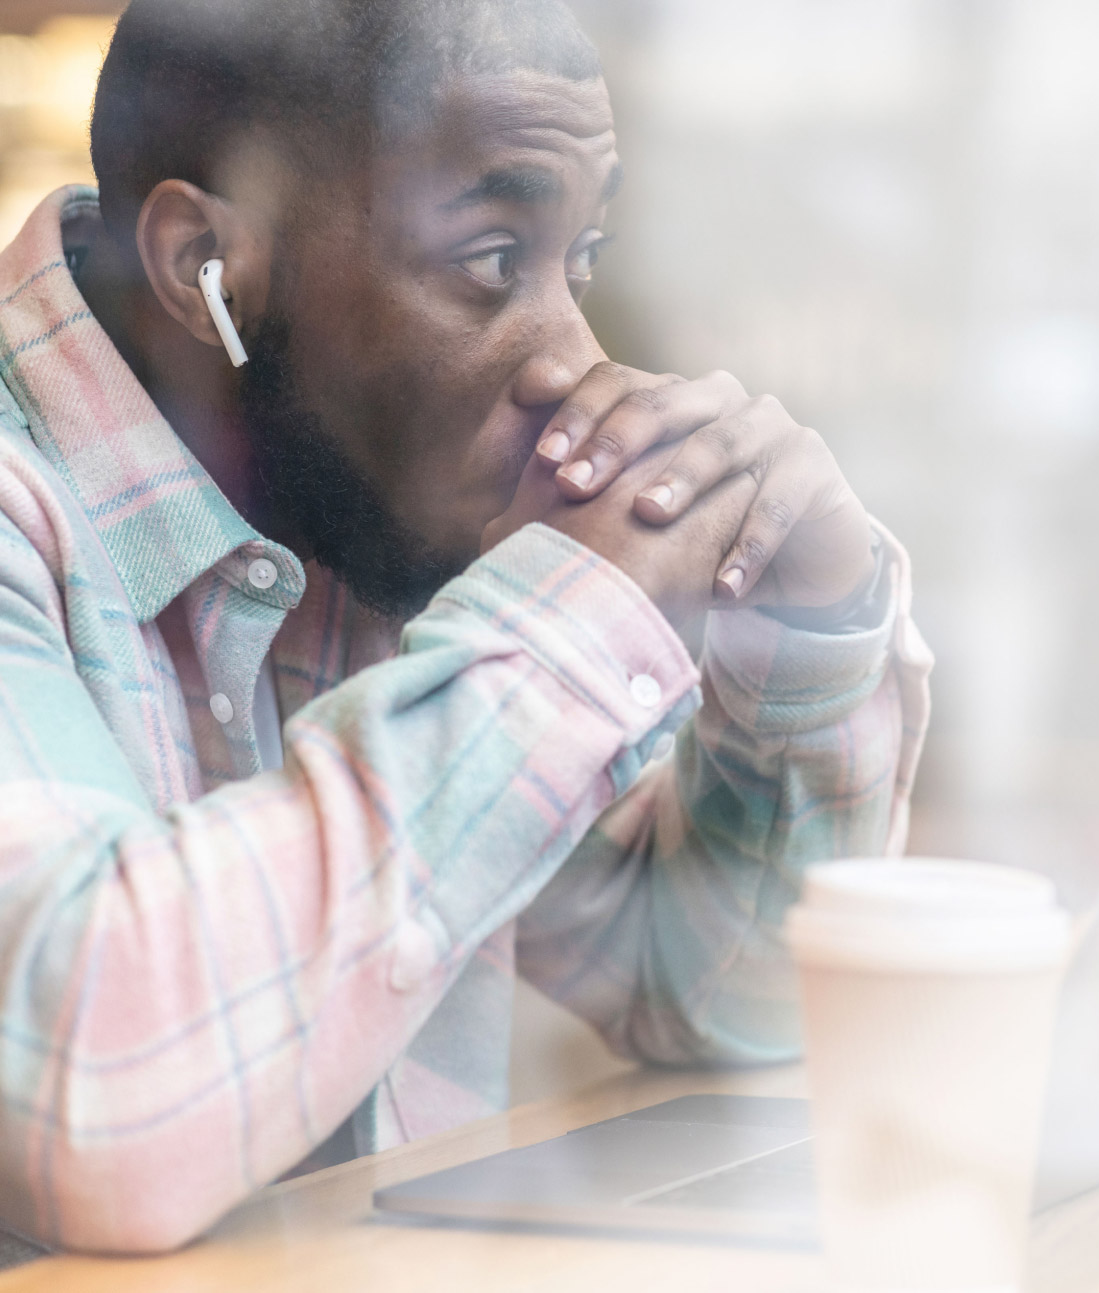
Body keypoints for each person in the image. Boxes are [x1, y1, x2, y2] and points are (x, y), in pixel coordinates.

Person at [0, 0, 930, 1253]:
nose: (571, 356)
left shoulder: (364, 501)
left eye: (579, 260)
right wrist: (569, 634)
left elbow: (723, 999)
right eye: (493, 260)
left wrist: (807, 638)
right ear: (202, 271)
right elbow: (90, 1104)